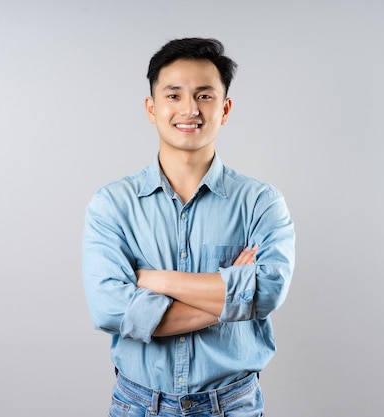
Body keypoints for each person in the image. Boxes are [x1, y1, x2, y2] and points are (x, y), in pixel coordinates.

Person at [82, 37, 295, 416]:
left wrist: (151, 280)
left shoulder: (260, 202)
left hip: (232, 406)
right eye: (174, 95)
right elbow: (110, 309)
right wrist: (231, 293)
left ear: (225, 108)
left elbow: (266, 293)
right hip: (138, 405)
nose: (190, 109)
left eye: (204, 95)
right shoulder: (111, 204)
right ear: (152, 107)